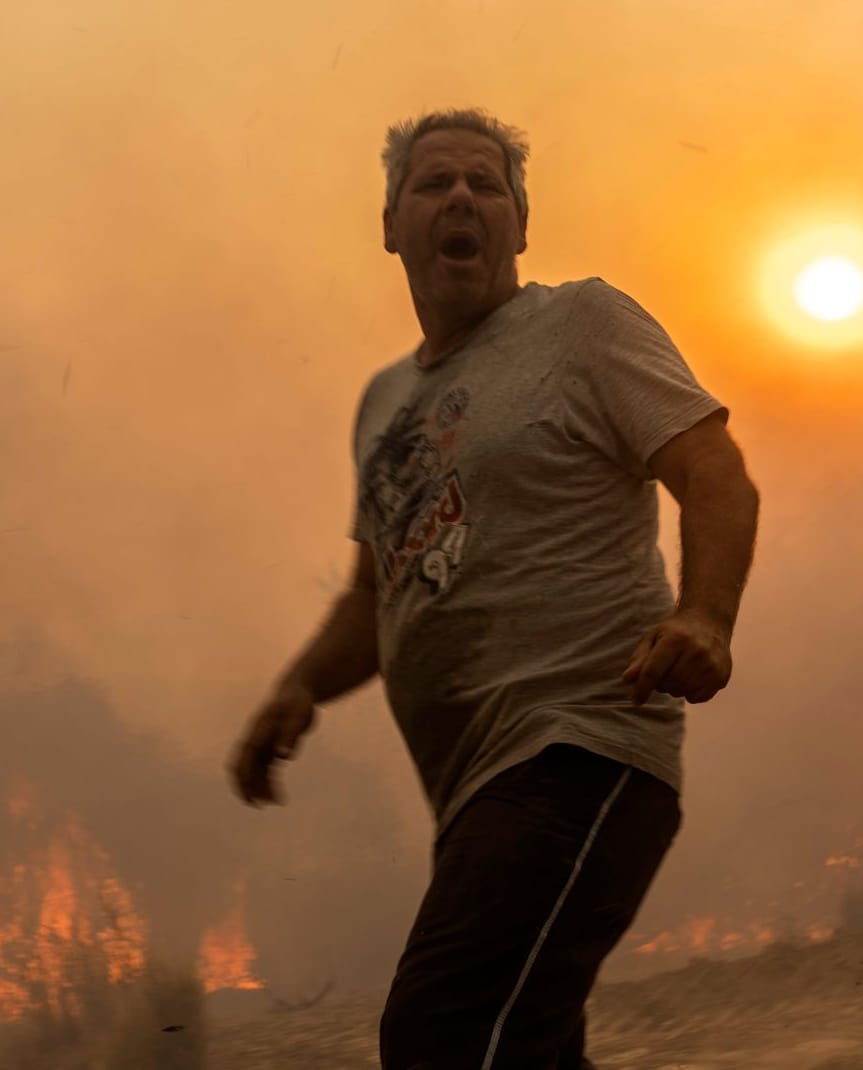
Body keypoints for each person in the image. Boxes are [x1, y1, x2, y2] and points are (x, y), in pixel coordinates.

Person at [226, 107, 760, 1070]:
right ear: (391, 223)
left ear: (522, 222)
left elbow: (713, 469)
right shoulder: (384, 403)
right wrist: (297, 686)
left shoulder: (581, 324)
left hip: (581, 748)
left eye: (487, 184)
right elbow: (373, 597)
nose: (463, 199)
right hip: (476, 795)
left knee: (441, 1033)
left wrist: (706, 615)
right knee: (523, 1051)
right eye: (435, 185)